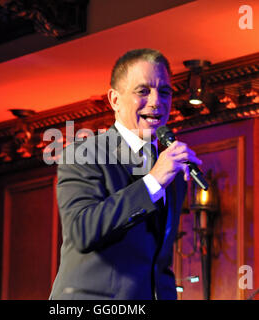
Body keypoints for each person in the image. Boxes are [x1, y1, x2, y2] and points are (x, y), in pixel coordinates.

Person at [49, 48, 203, 300]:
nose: (156, 102)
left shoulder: (170, 172)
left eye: (164, 92)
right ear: (115, 100)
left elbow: (156, 260)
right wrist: (153, 181)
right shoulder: (84, 153)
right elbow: (82, 231)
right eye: (143, 91)